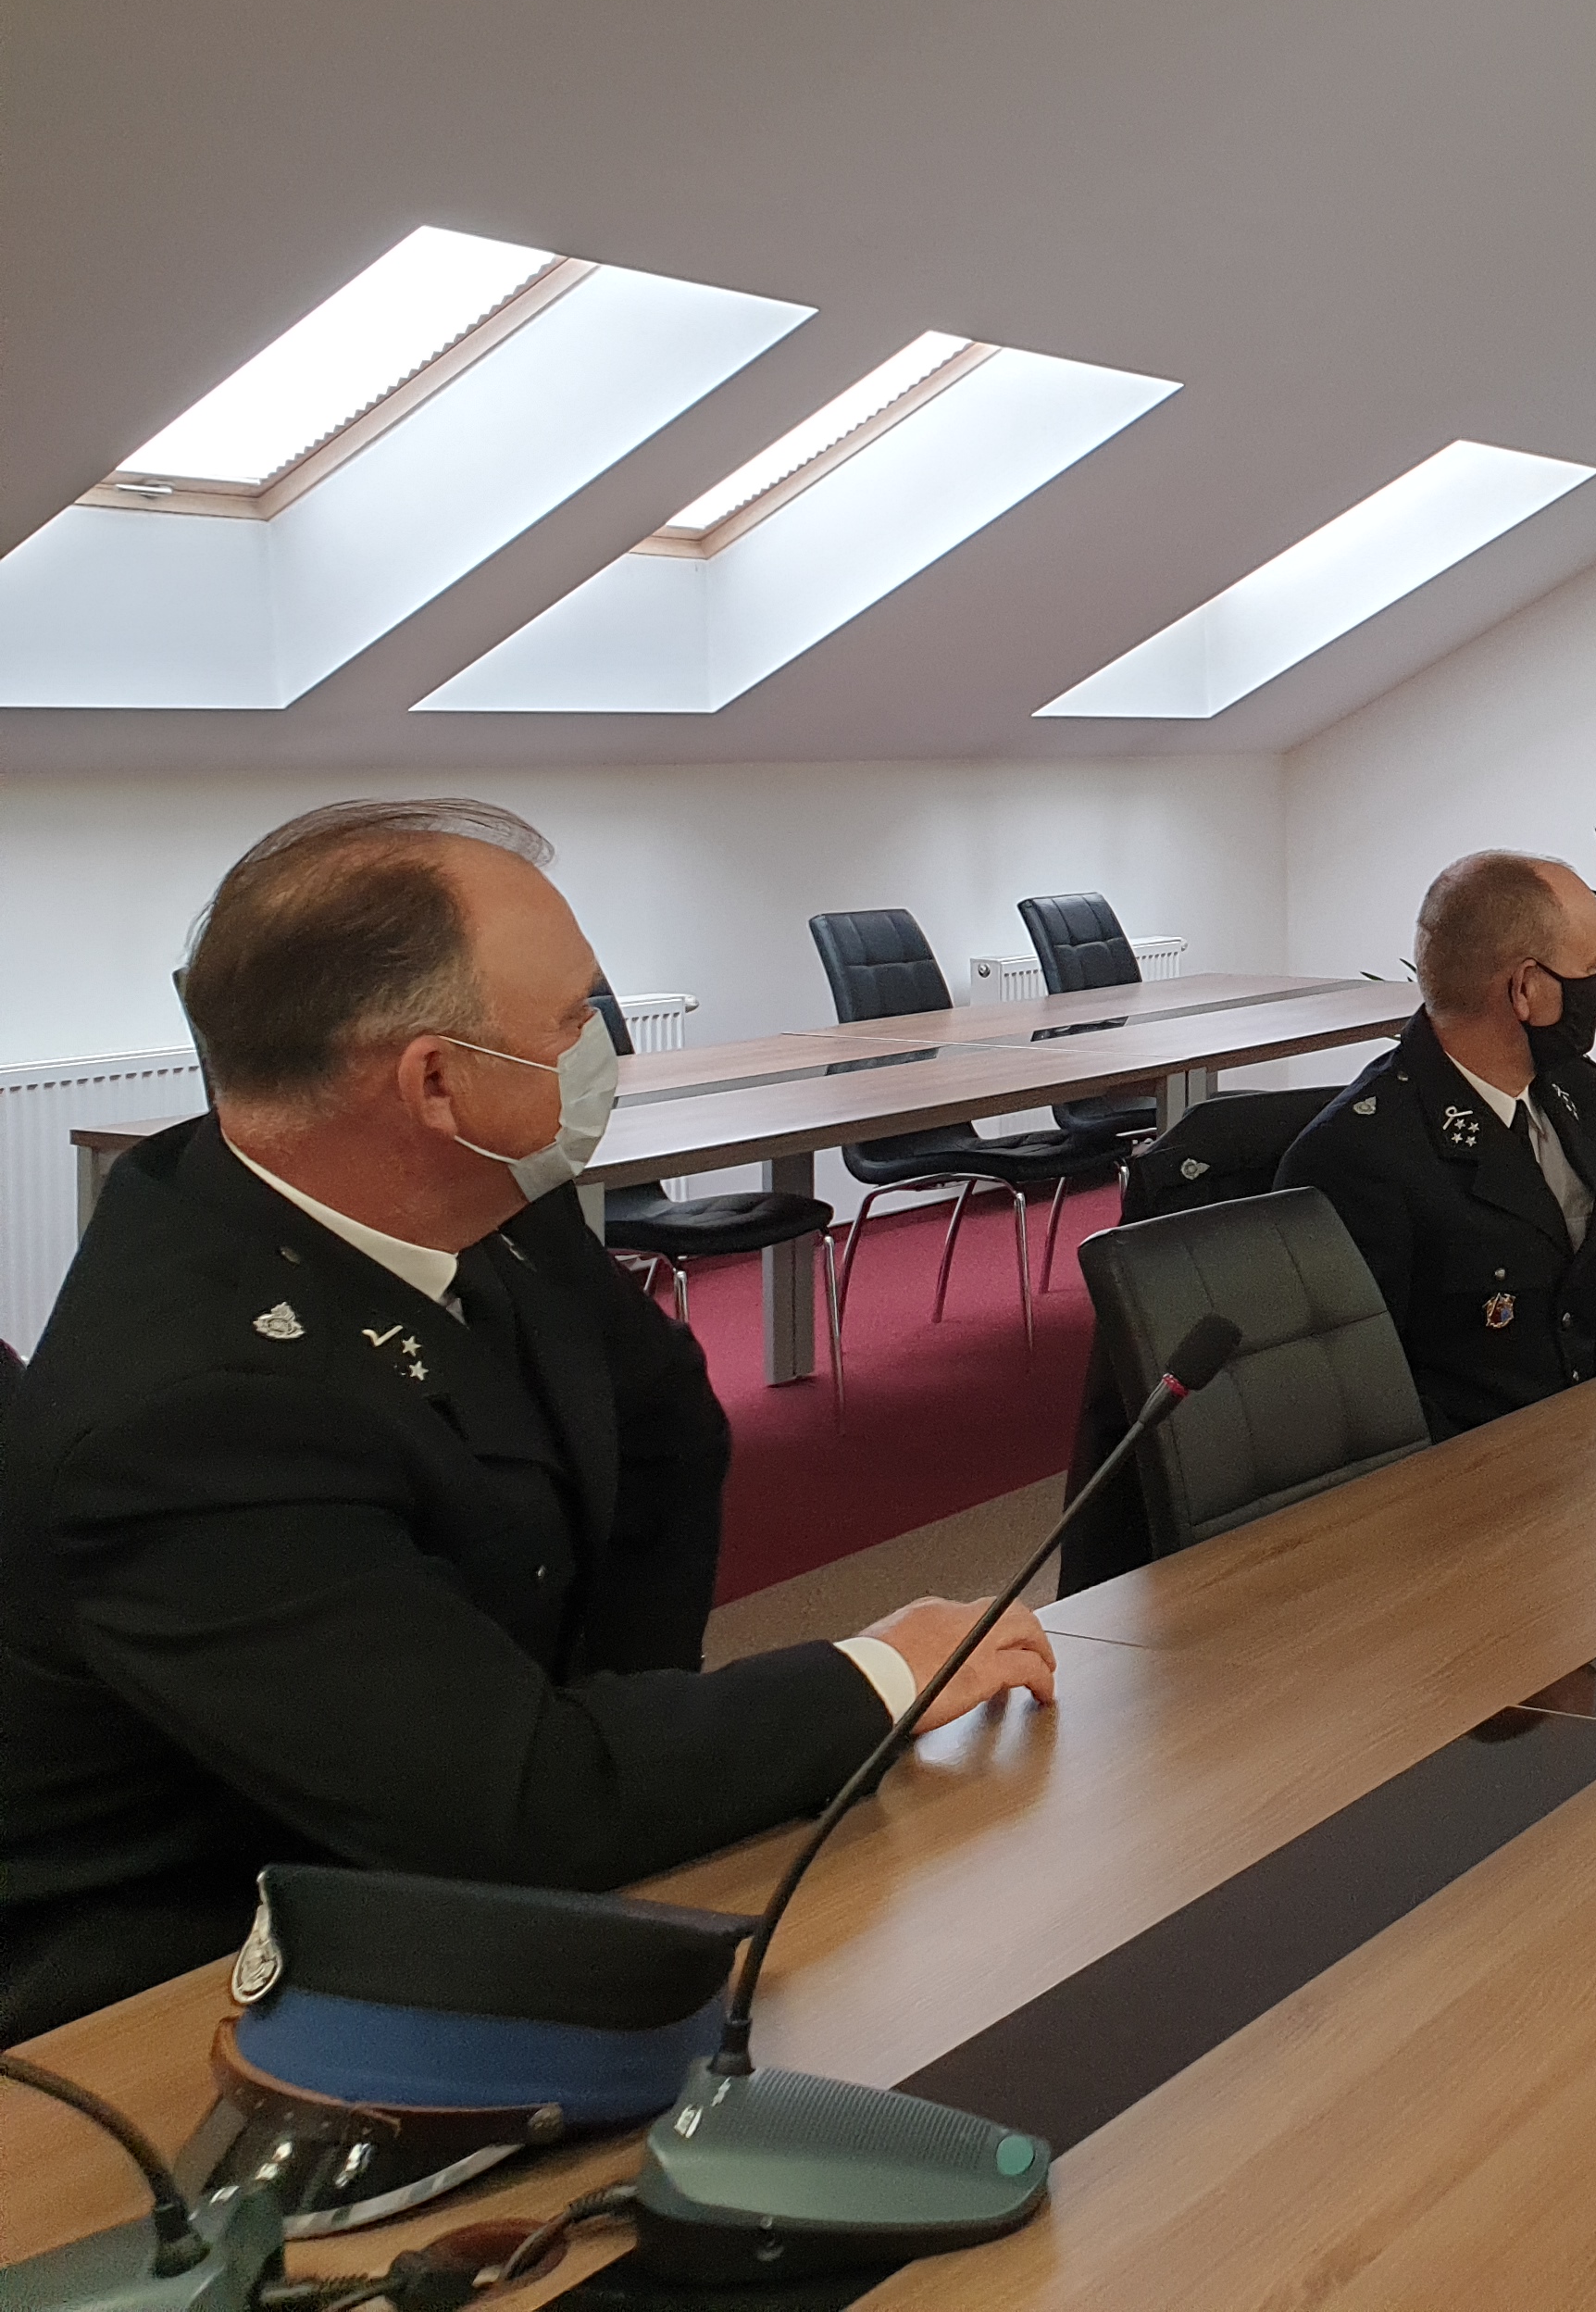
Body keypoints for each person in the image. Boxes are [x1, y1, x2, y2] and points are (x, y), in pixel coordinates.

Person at [0, 800, 1054, 2046]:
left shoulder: (490, 1196)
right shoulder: (189, 1420)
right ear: (435, 1082)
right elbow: (503, 1811)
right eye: (571, 1020)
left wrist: (625, 1738)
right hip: (187, 1998)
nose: (597, 1048)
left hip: (449, 1857)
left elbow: (663, 1436)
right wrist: (880, 1674)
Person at [1278, 851, 1596, 1441]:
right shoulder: (1358, 1155)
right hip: (1474, 1472)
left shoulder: (1584, 1094)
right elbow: (1363, 1392)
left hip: (1594, 1443)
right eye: (1590, 968)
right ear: (1525, 989)